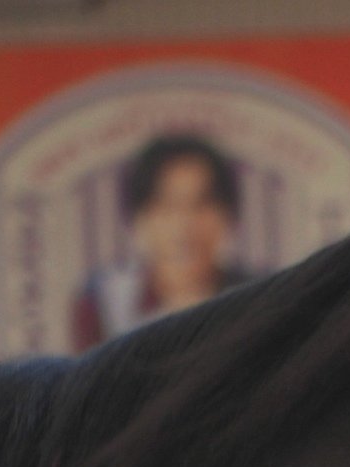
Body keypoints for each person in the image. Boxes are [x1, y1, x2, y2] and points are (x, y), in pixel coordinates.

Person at [71, 133, 254, 351]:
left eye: (201, 204)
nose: (184, 224)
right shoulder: (102, 301)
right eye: (167, 207)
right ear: (139, 219)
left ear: (228, 216)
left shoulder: (258, 298)